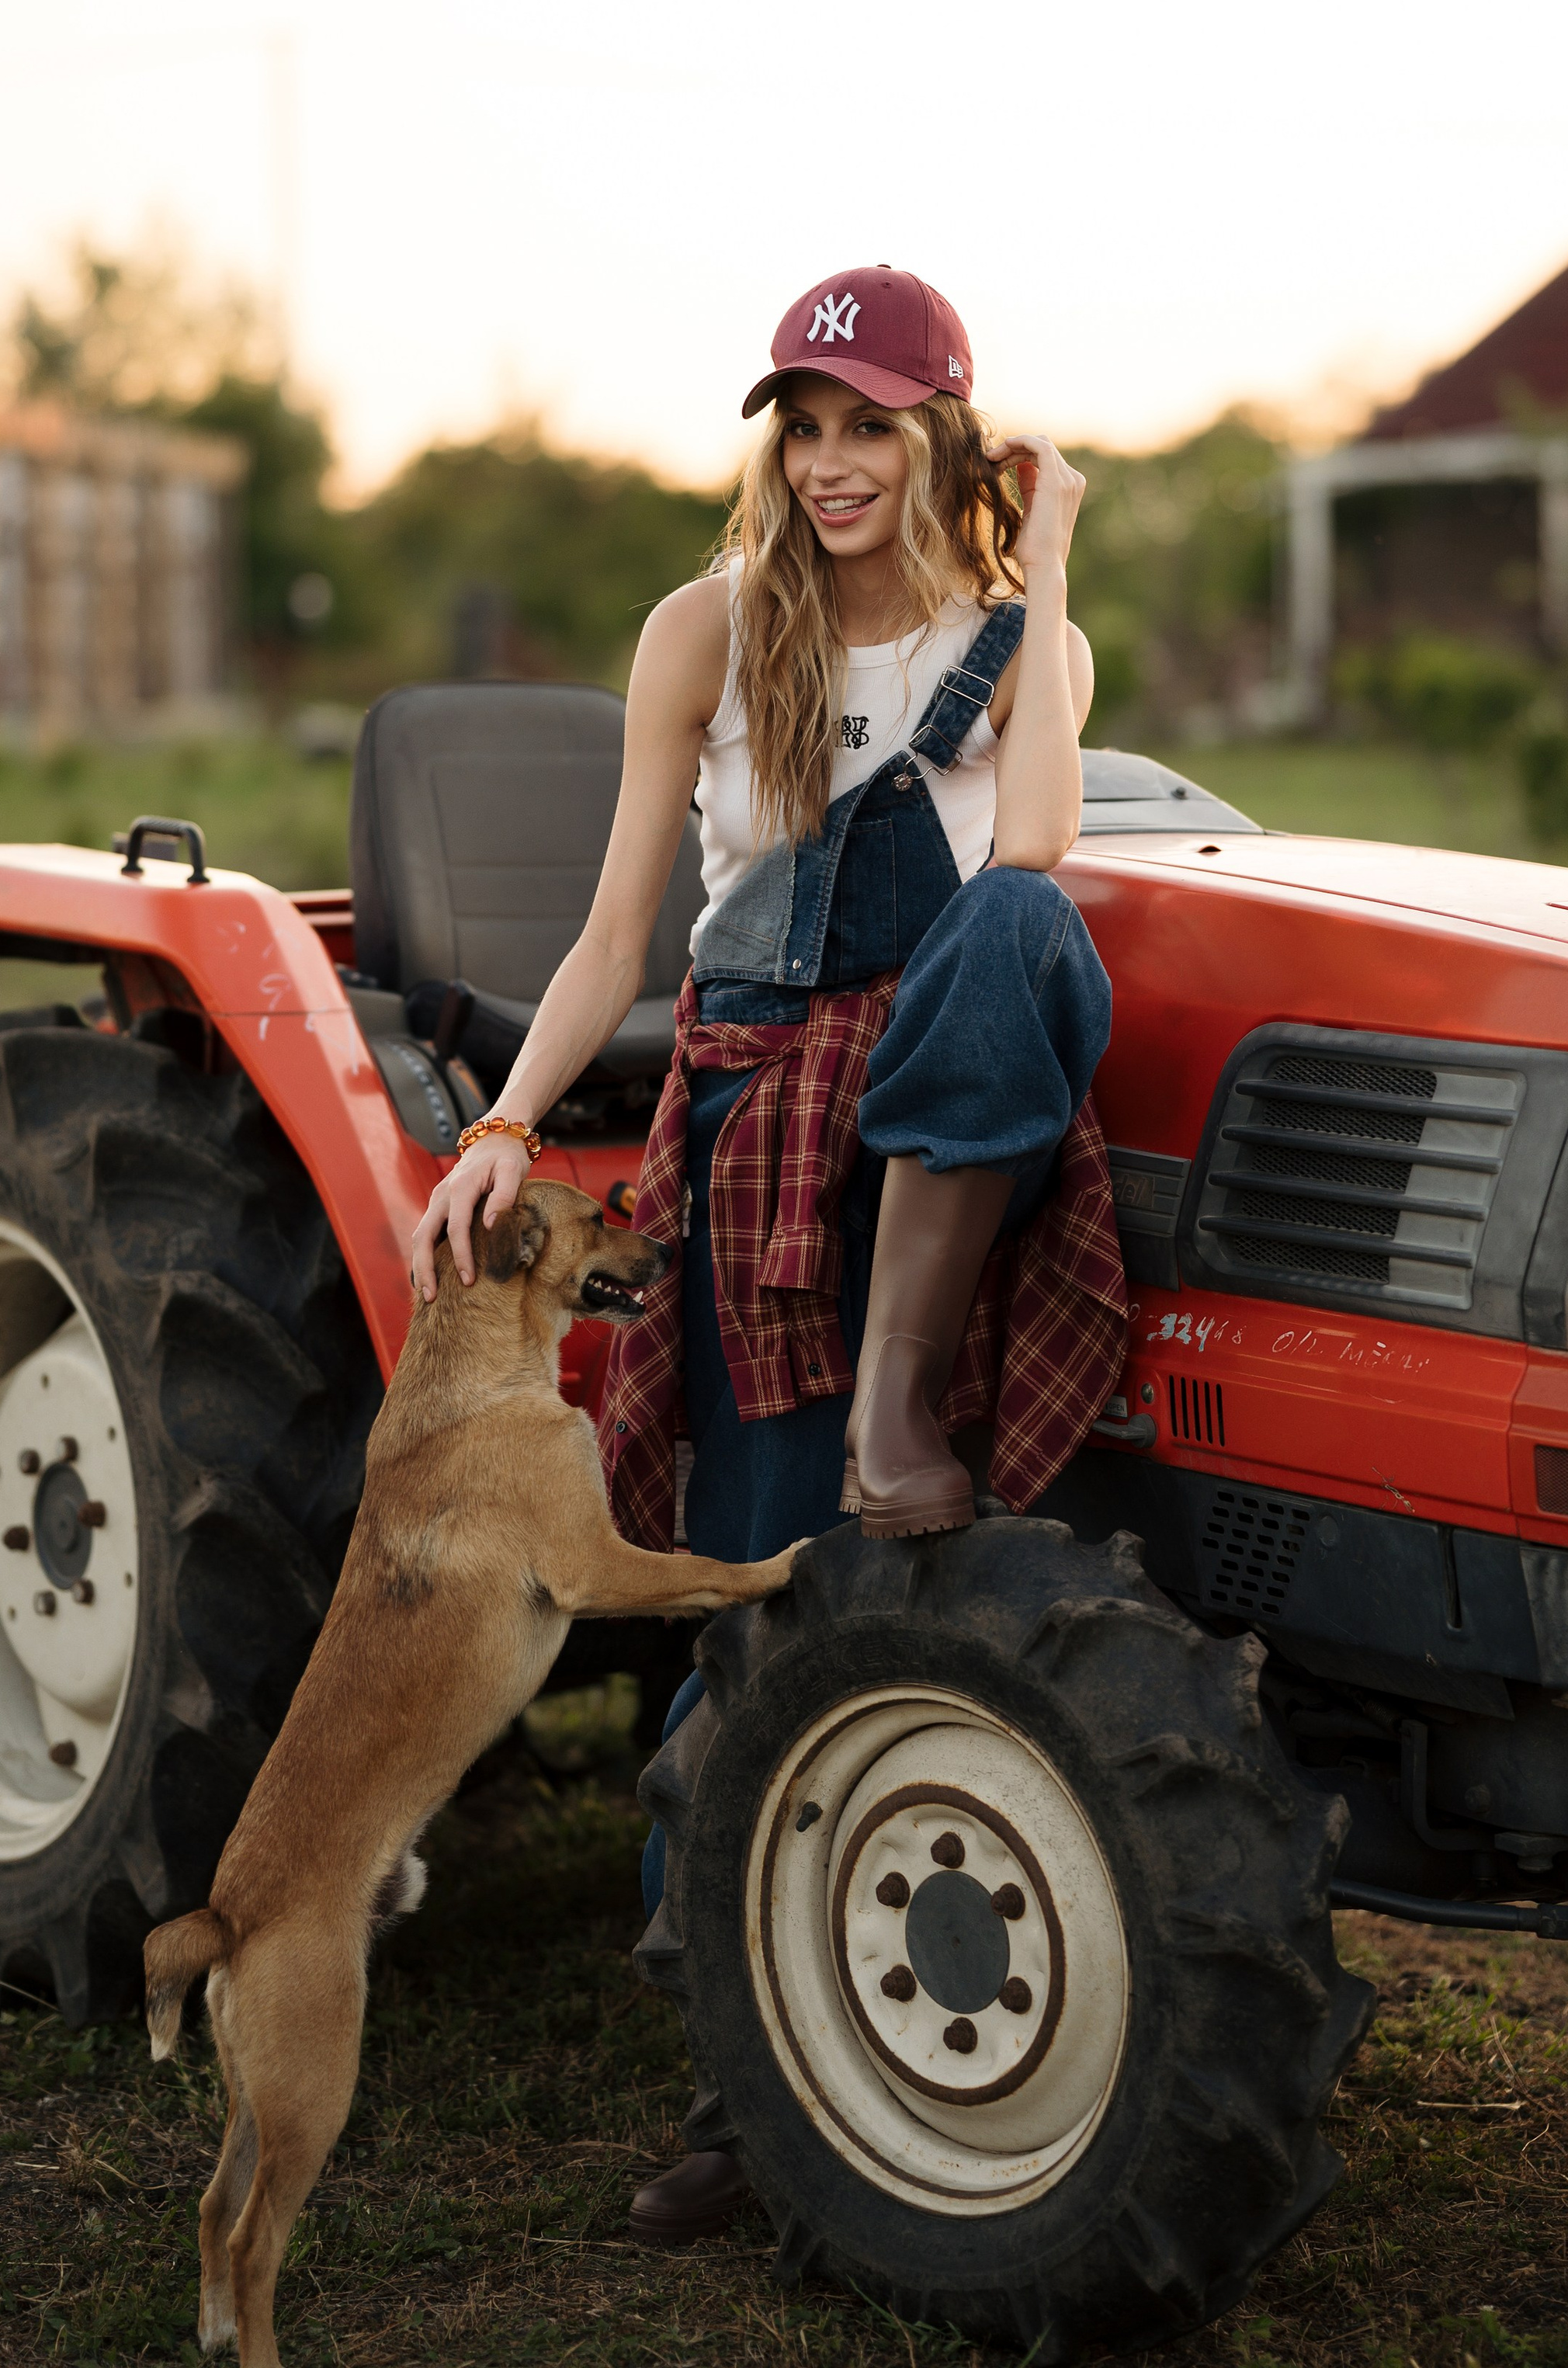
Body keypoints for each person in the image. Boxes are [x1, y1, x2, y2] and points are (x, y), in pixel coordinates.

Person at [408, 262, 1128, 2238]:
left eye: (870, 426)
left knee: (1014, 928)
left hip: (943, 1115)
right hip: (755, 1114)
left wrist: (1046, 563)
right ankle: (742, 2070)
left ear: (943, 438)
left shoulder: (1014, 643)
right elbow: (617, 931)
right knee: (749, 1581)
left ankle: (904, 1389)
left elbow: (1044, 849)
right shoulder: (702, 635)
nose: (826, 464)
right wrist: (498, 1118)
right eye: (801, 426)